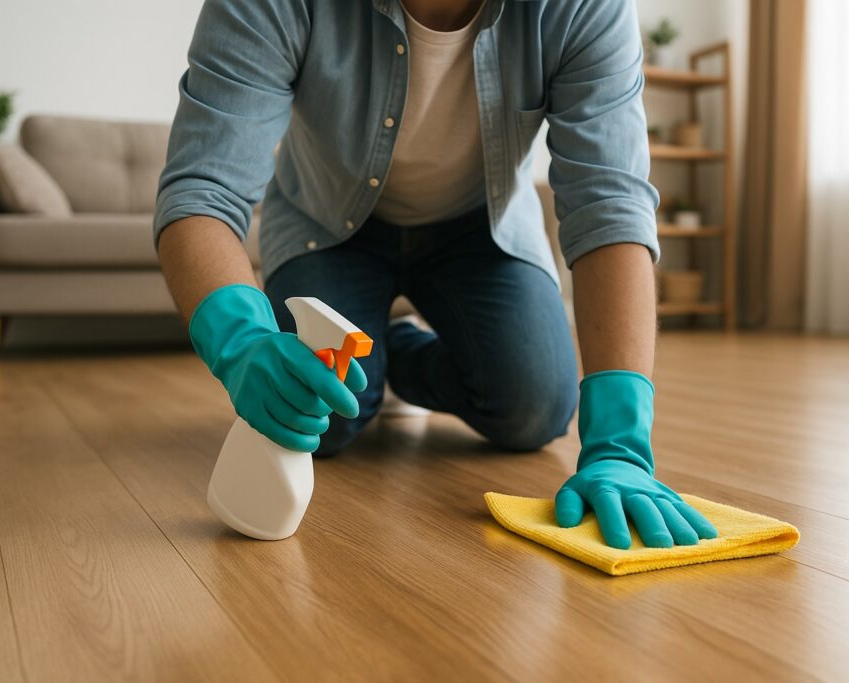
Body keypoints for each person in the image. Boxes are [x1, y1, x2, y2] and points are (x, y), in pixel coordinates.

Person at [154, 0, 717, 550]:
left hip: (482, 226)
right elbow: (203, 187)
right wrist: (242, 340)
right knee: (325, 421)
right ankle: (373, 365)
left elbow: (610, 204)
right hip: (327, 226)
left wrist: (620, 444)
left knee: (534, 407)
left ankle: (397, 352)